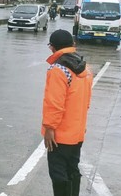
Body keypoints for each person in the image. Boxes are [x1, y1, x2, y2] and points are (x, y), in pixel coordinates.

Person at [42, 29, 93, 196]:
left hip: (59, 136)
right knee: (72, 170)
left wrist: (49, 128)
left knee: (58, 174)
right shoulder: (85, 69)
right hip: (77, 134)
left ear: (52, 48)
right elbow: (86, 102)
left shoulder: (58, 70)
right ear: (73, 45)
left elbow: (54, 104)